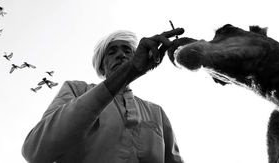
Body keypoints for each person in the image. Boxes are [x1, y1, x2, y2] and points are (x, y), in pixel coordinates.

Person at [22, 29, 185, 163]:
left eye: (127, 51)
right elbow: (35, 150)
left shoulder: (156, 112)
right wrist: (127, 72)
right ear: (101, 66)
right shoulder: (77, 90)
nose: (120, 55)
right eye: (112, 52)